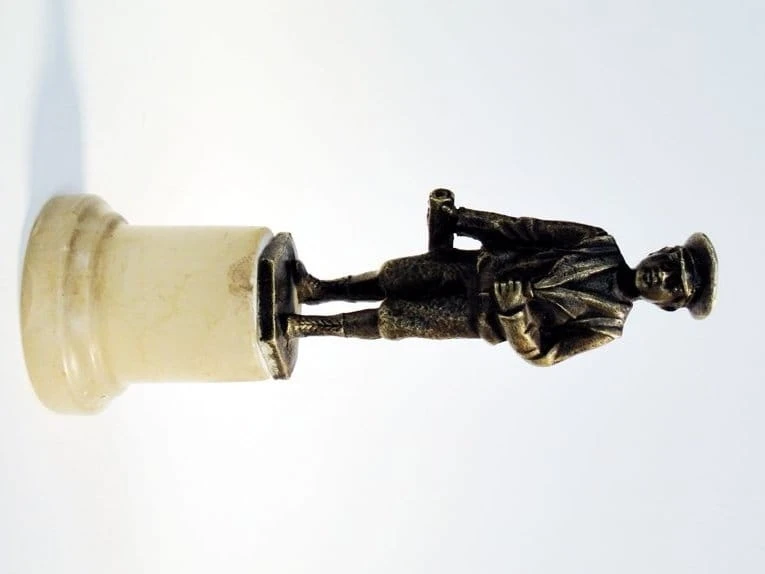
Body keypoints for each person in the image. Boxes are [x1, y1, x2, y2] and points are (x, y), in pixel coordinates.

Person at [286, 190, 717, 366]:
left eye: (672, 284)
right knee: (395, 275)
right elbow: (523, 230)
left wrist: (514, 313)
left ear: (668, 304)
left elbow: (543, 353)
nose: (662, 273)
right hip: (474, 268)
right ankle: (319, 289)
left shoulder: (607, 325)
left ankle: (309, 326)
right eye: (669, 261)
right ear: (658, 250)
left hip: (479, 316)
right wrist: (460, 218)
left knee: (395, 318)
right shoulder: (597, 243)